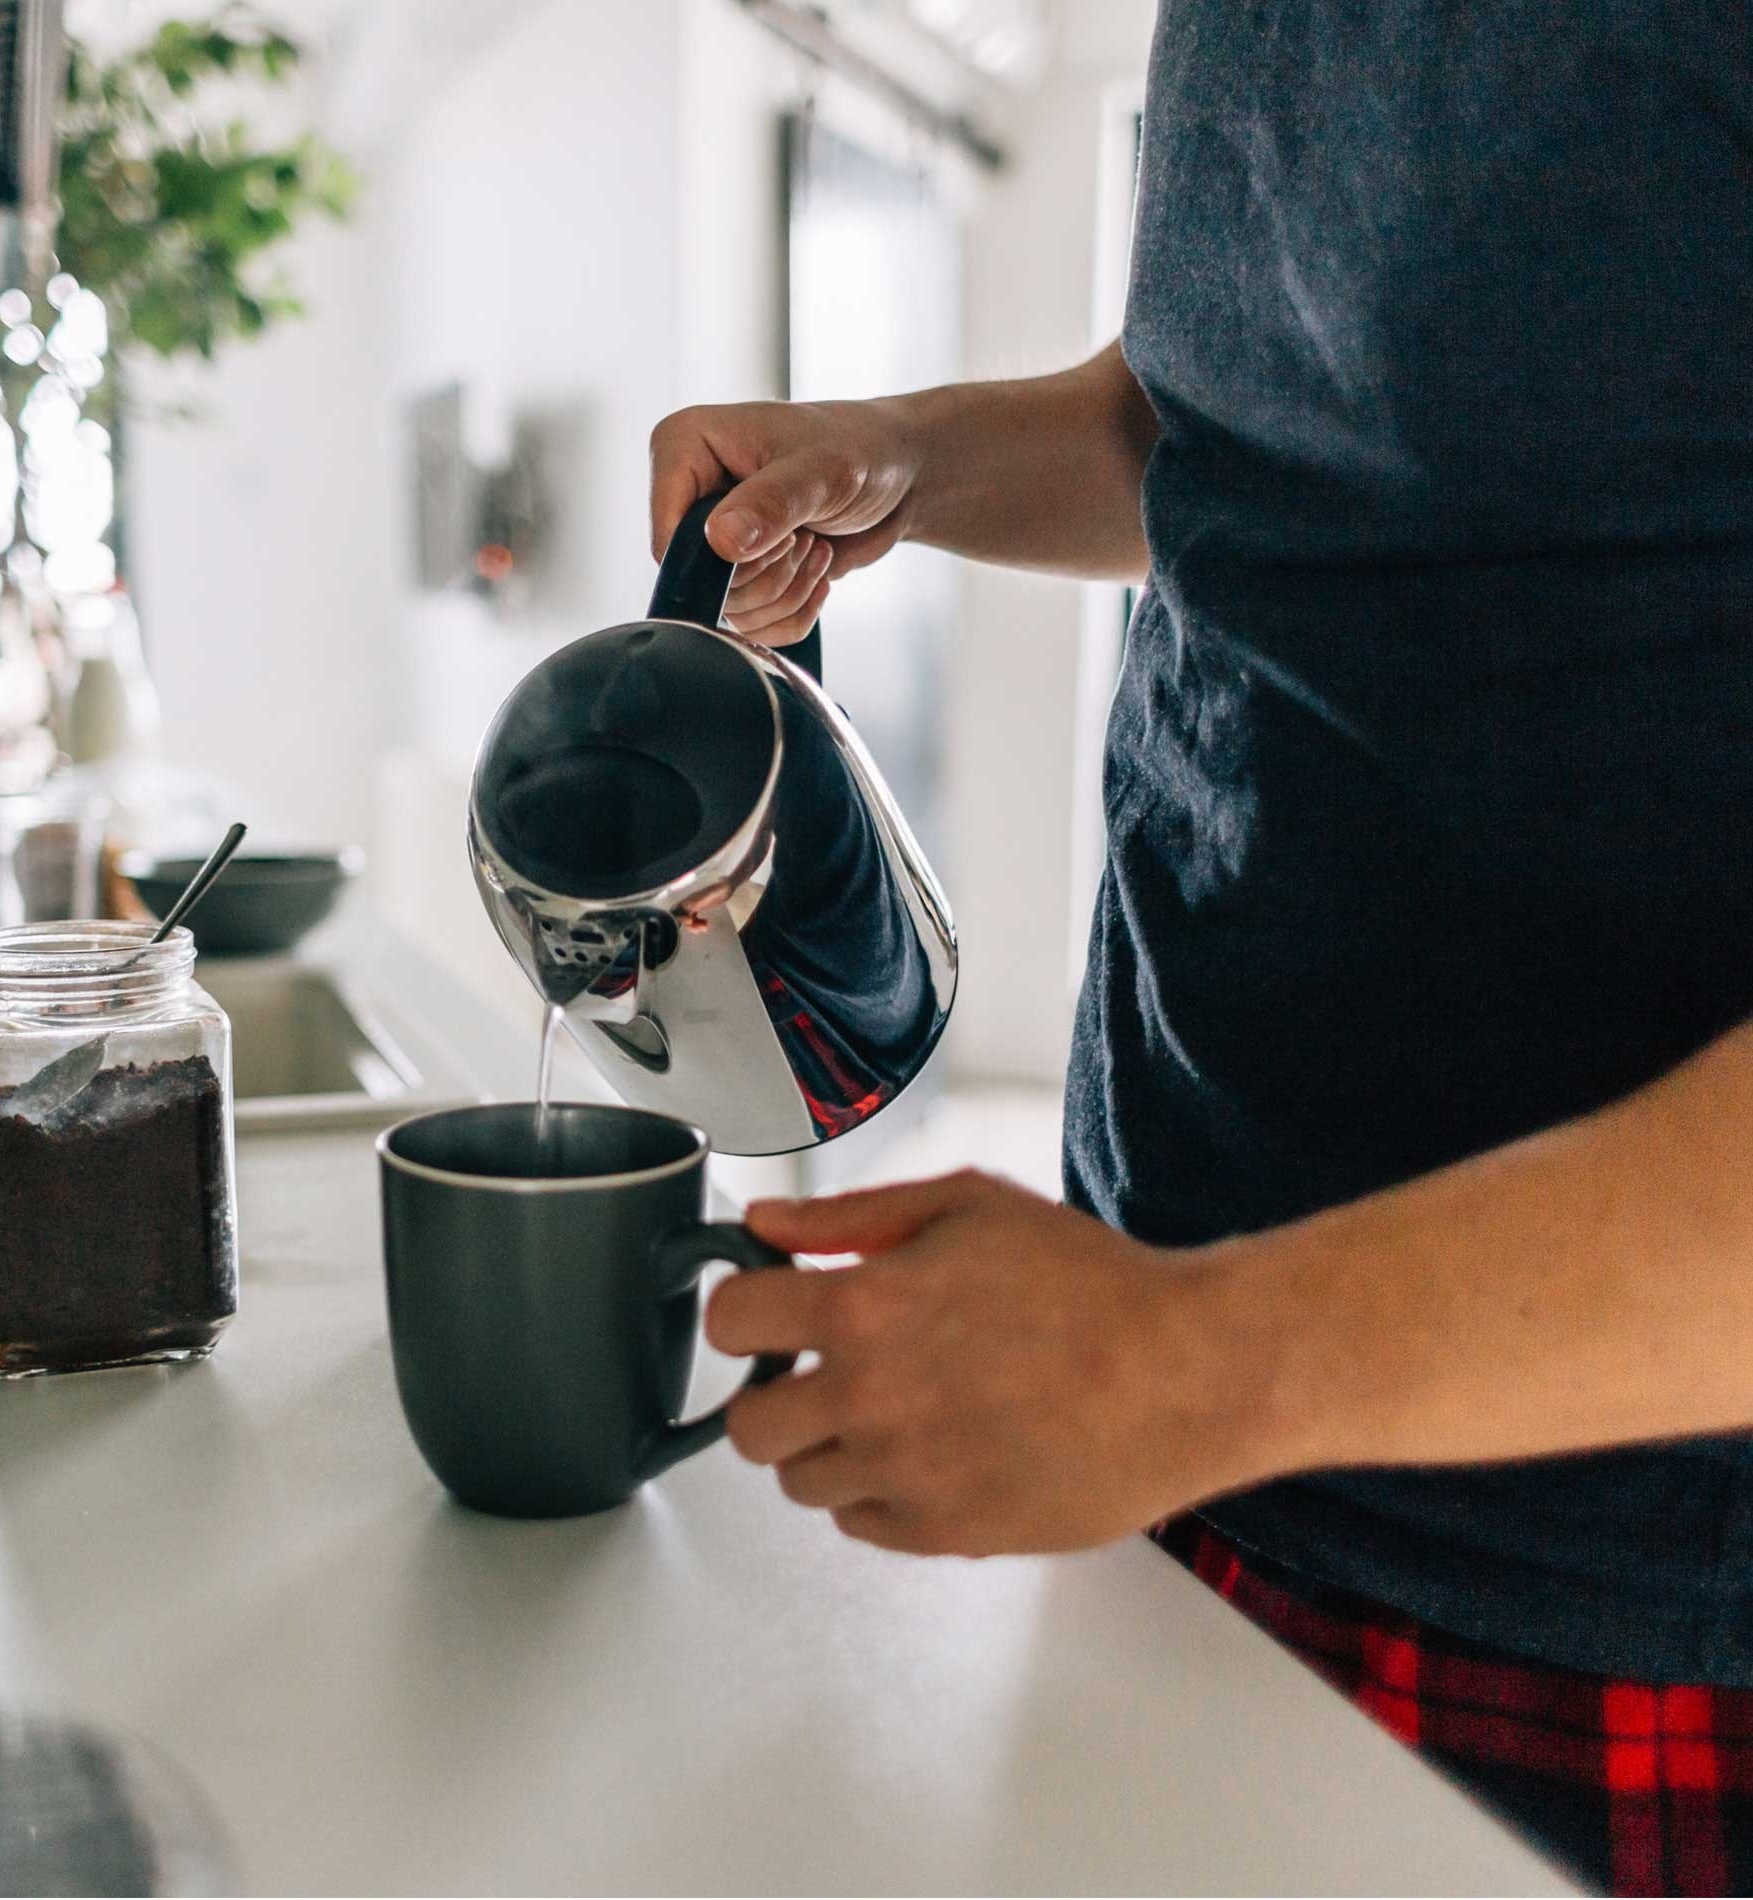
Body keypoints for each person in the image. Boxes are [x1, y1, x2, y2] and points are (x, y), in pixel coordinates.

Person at [646, 4, 1753, 1892]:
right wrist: (906, 458)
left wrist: (1199, 1362)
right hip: (1183, 1401)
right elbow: (1217, 417)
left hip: (1608, 1592)